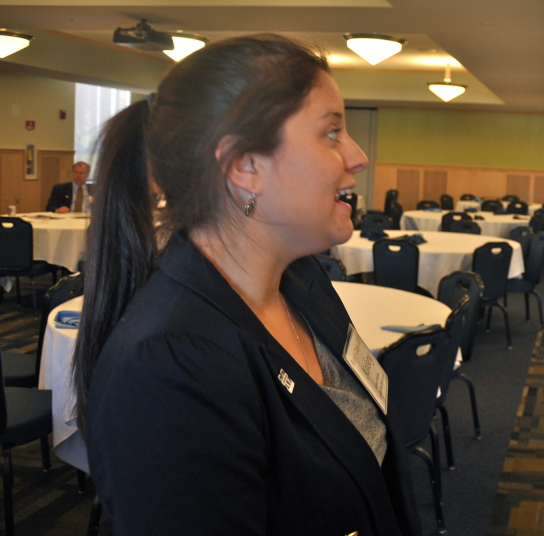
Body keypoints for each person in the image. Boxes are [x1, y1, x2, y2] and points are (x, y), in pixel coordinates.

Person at [73, 34, 419, 535]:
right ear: (245, 167)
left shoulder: (302, 280)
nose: (359, 156)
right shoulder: (171, 366)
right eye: (331, 132)